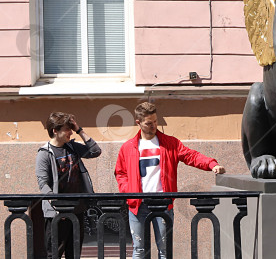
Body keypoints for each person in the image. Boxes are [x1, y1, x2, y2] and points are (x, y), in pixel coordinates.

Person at [114, 102, 226, 259]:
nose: (153, 126)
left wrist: (211, 164)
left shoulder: (170, 143)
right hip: (138, 205)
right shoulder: (128, 147)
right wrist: (128, 191)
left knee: (165, 250)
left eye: (155, 121)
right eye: (148, 123)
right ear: (138, 123)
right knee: (139, 250)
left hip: (163, 203)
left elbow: (191, 156)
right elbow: (120, 172)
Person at [35, 112, 101, 259]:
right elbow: (43, 184)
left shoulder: (72, 146)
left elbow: (95, 151)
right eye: (67, 129)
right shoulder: (44, 153)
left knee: (74, 253)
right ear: (55, 131)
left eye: (71, 129)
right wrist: (58, 206)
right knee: (54, 254)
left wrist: (79, 129)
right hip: (56, 213)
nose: (70, 132)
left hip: (77, 210)